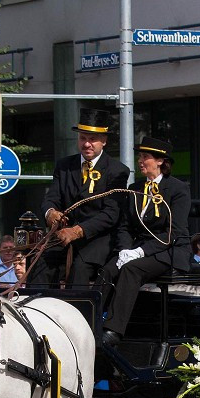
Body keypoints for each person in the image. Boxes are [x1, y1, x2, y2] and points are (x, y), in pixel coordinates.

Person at [100, 137, 192, 345]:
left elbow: (174, 232)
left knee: (132, 269)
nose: (140, 161)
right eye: (140, 156)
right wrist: (124, 249)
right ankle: (90, 319)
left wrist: (140, 252)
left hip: (169, 250)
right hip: (137, 248)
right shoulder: (136, 188)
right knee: (108, 269)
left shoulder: (177, 189)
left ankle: (113, 331)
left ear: (160, 161)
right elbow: (124, 226)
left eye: (146, 157)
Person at [33, 108, 130, 288]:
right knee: (40, 265)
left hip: (97, 240)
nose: (87, 144)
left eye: (92, 139)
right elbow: (51, 198)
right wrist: (50, 213)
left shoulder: (117, 171)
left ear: (104, 141)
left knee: (79, 268)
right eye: (83, 138)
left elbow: (111, 214)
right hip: (63, 235)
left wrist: (77, 231)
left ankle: (80, 315)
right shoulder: (64, 166)